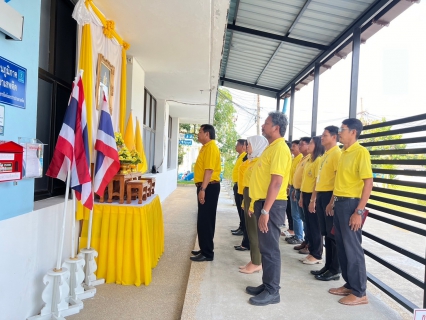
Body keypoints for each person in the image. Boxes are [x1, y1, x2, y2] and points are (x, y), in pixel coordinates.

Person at [245, 112, 291, 306]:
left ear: (276, 128)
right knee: (265, 248)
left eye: (266, 123)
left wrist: (265, 211)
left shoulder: (280, 148)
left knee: (271, 250)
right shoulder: (271, 148)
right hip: (263, 202)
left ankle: (273, 291)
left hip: (271, 205)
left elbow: (276, 182)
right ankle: (267, 284)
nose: (263, 126)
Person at [328, 118, 373, 306]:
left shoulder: (360, 152)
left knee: (353, 248)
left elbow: (368, 182)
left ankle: (360, 292)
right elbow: (340, 181)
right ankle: (350, 284)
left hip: (351, 205)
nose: (340, 132)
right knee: (342, 246)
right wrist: (332, 201)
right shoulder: (344, 152)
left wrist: (359, 211)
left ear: (353, 132)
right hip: (339, 203)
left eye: (342, 129)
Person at [311, 126, 342, 281]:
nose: (321, 138)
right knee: (326, 234)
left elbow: (338, 180)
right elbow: (318, 180)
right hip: (322, 195)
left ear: (334, 137)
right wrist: (314, 198)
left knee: (332, 235)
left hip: (330, 196)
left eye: (325, 135)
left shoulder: (337, 154)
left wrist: (332, 202)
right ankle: (327, 265)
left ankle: (335, 269)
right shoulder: (325, 155)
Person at [190, 124, 221, 262]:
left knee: (206, 220)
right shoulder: (206, 147)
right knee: (202, 220)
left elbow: (209, 171)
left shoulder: (211, 147)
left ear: (207, 134)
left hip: (209, 187)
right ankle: (204, 248)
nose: (198, 134)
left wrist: (202, 189)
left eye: (200, 132)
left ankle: (207, 253)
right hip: (206, 186)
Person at [238, 135, 269, 274]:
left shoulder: (259, 162)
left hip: (254, 197)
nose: (247, 147)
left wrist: (251, 204)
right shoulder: (252, 161)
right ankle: (254, 259)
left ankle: (257, 262)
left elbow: (257, 185)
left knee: (254, 232)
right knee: (250, 230)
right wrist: (245, 200)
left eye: (249, 144)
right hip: (248, 195)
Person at [299, 136, 324, 265]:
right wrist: (302, 197)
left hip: (313, 196)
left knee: (315, 226)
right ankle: (312, 251)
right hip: (306, 194)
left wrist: (313, 200)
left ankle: (317, 254)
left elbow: (316, 182)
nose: (308, 146)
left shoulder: (318, 160)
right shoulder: (309, 160)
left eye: (311, 144)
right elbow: (304, 181)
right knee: (308, 224)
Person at [287, 137, 310, 253]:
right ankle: (302, 239)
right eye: (298, 145)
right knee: (297, 215)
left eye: (301, 145)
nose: (296, 147)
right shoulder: (301, 159)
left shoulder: (306, 159)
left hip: (303, 191)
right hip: (295, 189)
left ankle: (300, 237)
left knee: (302, 217)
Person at [234, 140, 250, 252]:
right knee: (242, 213)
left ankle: (246, 242)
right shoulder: (244, 157)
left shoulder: (248, 158)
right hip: (241, 188)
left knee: (247, 218)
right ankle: (244, 234)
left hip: (246, 191)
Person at [284, 140, 302, 240]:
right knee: (293, 212)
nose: (292, 148)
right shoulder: (294, 159)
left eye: (294, 146)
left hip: (297, 189)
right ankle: (296, 234)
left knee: (296, 214)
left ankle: (298, 235)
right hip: (292, 187)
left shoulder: (300, 159)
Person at [231, 139, 247, 236]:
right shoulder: (240, 156)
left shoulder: (245, 156)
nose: (236, 146)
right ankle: (241, 226)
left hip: (241, 186)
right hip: (237, 184)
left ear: (243, 146)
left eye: (237, 145)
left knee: (242, 208)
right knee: (239, 207)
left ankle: (243, 228)